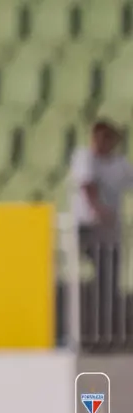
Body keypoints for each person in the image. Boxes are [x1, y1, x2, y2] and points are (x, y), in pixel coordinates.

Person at [70, 119, 133, 337]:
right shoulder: (84, 158)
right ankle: (90, 323)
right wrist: (99, 210)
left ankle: (107, 327)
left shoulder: (119, 164)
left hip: (109, 233)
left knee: (110, 277)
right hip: (87, 228)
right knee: (96, 271)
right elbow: (88, 186)